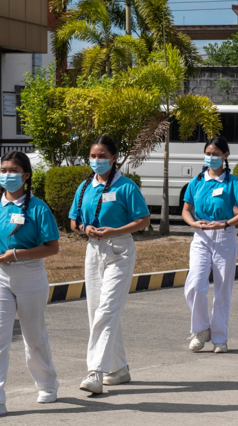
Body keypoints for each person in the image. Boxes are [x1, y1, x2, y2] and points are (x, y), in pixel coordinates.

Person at [0, 152, 61, 418]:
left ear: (25, 176)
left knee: (33, 335)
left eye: (13, 171)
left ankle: (47, 383)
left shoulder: (37, 207)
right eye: (3, 171)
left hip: (30, 275)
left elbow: (52, 247)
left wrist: (17, 254)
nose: (6, 176)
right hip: (0, 274)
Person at [69, 136, 150, 394]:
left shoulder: (126, 187)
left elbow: (144, 220)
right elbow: (73, 222)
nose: (97, 161)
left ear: (114, 158)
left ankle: (96, 371)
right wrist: (85, 228)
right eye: (93, 156)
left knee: (107, 309)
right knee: (97, 311)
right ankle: (119, 369)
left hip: (120, 249)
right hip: (94, 250)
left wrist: (116, 230)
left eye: (102, 156)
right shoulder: (84, 188)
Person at [182, 137, 238, 353]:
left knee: (222, 290)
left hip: (224, 236)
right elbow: (186, 209)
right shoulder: (197, 182)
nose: (211, 158)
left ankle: (220, 337)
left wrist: (225, 224)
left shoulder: (234, 182)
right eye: (208, 153)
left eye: (215, 154)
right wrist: (193, 222)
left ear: (225, 156)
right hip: (201, 237)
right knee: (194, 286)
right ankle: (201, 329)